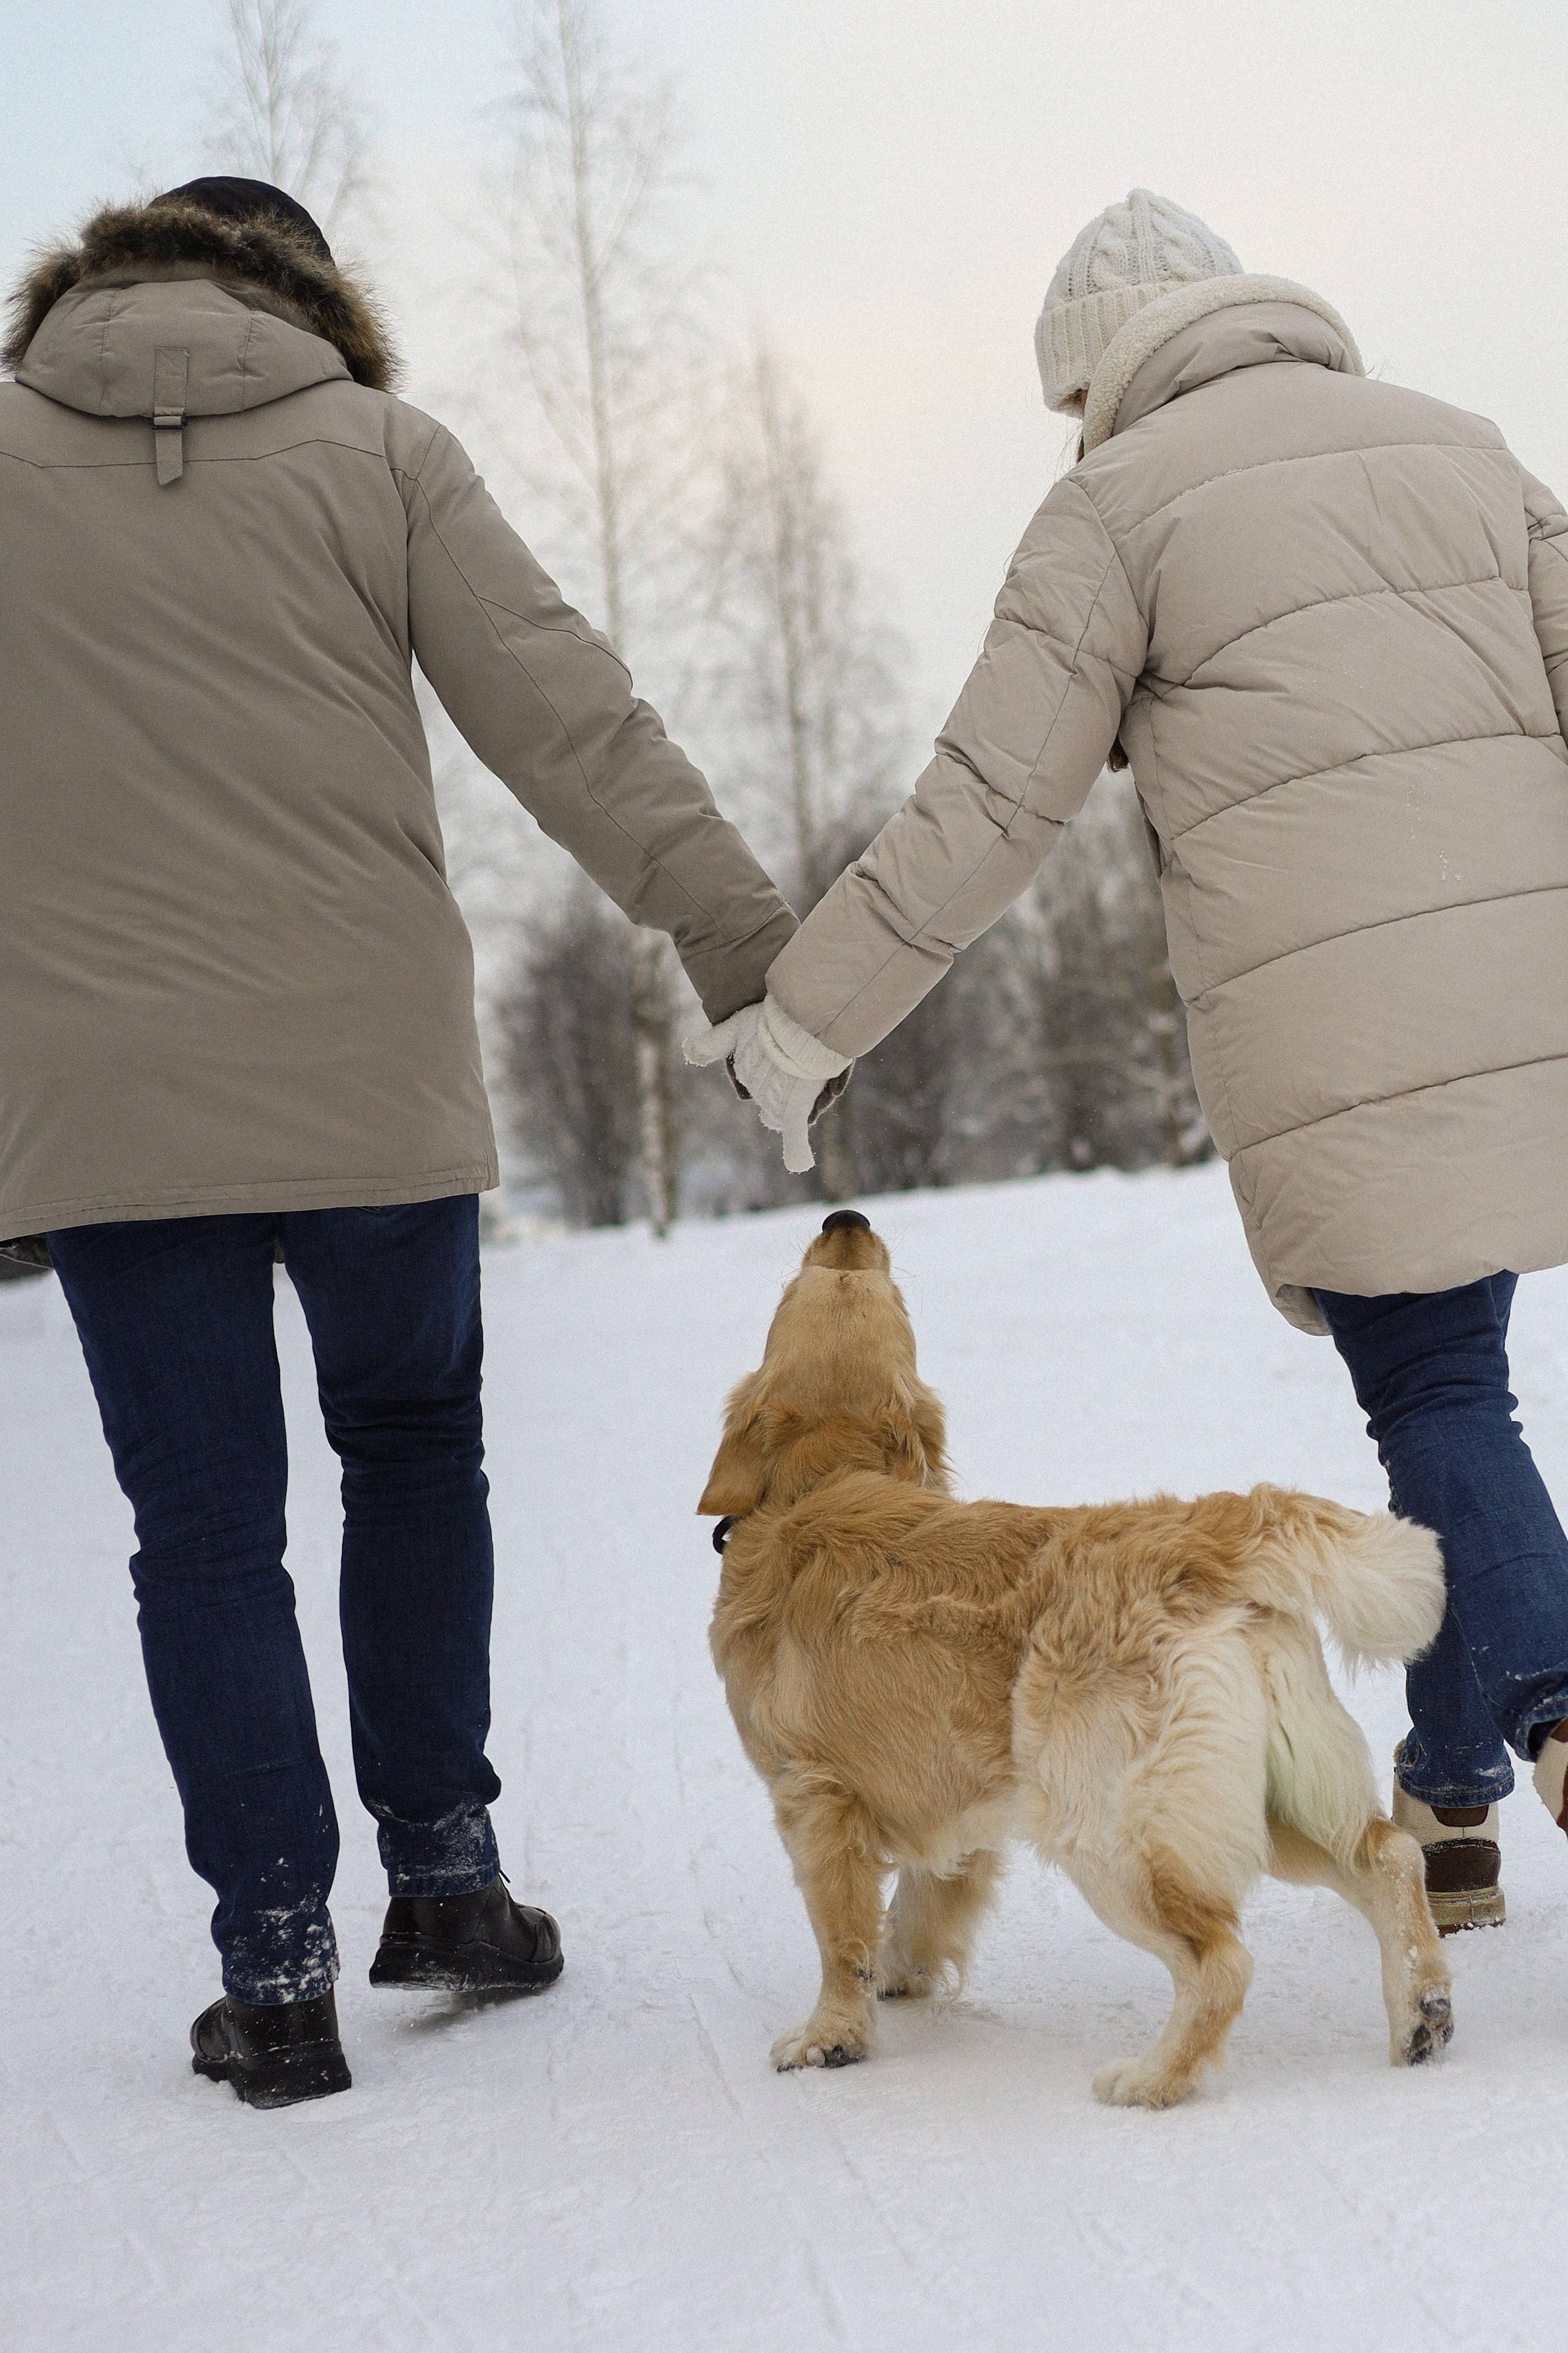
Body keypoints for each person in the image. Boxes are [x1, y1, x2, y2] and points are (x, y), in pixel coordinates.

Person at [0, 178, 797, 2109]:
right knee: (414, 1447)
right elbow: (572, 718)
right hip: (373, 1078)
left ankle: (273, 1974)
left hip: (106, 1100)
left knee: (204, 1526)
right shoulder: (380, 447)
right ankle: (445, 1876)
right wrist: (742, 941)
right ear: (307, 295)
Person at [691, 186, 1568, 1939]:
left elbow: (986, 809)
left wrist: (803, 1023)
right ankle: (1450, 1797)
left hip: (1341, 1029)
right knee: (1457, 1372)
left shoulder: (1112, 505)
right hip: (1532, 992)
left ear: (1097, 377)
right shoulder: (1462, 446)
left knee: (1440, 1396)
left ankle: (1548, 1710)